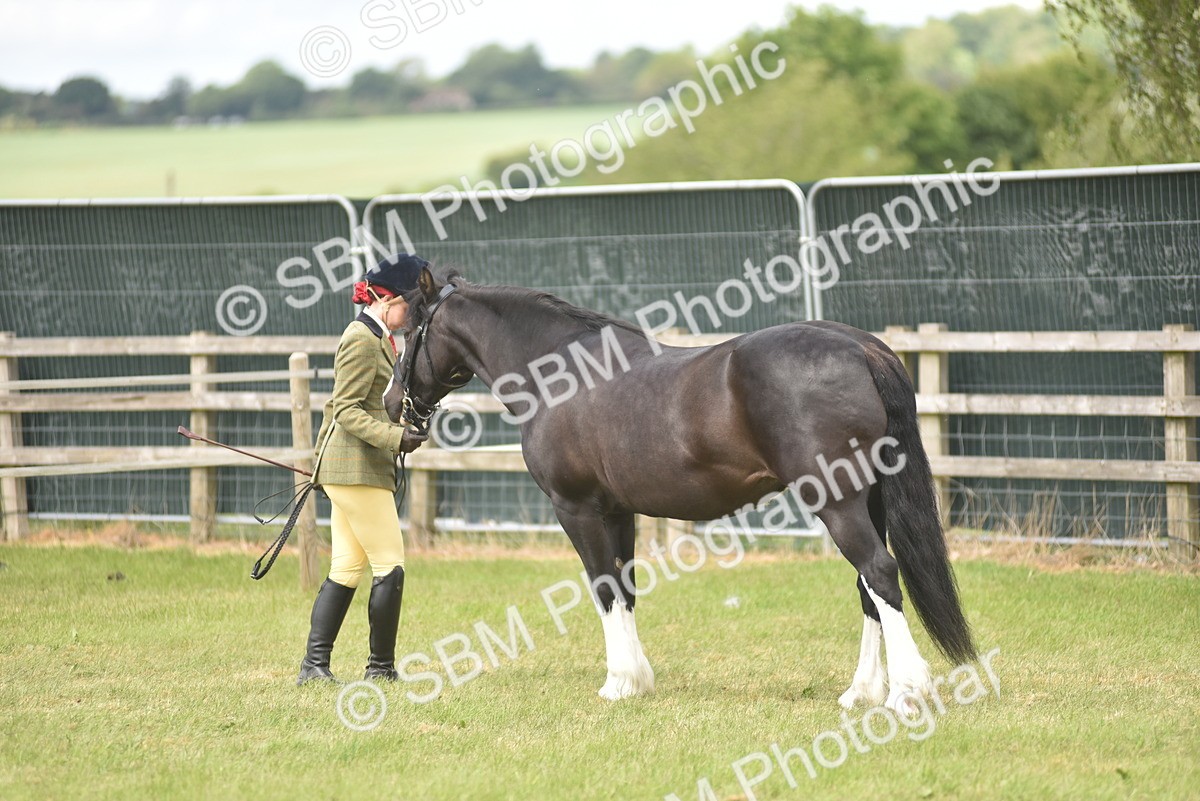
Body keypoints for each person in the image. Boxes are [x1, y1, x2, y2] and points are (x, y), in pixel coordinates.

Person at [297, 253, 429, 685]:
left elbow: (340, 405)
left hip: (353, 469)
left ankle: (314, 667)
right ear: (388, 299)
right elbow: (347, 411)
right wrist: (395, 438)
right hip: (354, 469)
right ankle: (381, 670)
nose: (411, 317)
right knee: (390, 563)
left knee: (346, 568)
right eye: (409, 307)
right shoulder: (360, 338)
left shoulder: (379, 338)